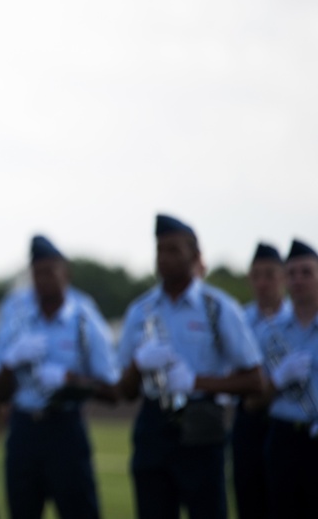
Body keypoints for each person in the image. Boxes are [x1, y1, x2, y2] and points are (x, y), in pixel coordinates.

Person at [117, 214, 263, 519]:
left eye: (174, 250)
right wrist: (137, 364)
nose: (164, 258)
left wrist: (196, 382)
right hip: (154, 423)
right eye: (160, 250)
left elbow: (254, 380)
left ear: (195, 256)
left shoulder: (217, 307)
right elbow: (124, 391)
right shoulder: (141, 310)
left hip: (200, 424)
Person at [0, 235, 118, 519]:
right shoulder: (15, 313)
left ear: (66, 273)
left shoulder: (84, 317)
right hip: (24, 427)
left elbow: (112, 390)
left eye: (50, 271)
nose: (43, 280)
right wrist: (12, 360)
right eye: (37, 273)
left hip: (65, 429)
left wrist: (68, 380)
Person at [256, 239, 318, 517]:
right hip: (283, 437)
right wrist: (278, 380)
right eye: (291, 273)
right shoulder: (269, 332)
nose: (298, 280)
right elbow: (252, 401)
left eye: (306, 272)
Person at [231, 242, 288, 519]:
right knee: (249, 499)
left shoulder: (296, 318)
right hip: (249, 419)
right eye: (256, 276)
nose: (263, 283)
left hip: (286, 418)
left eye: (269, 274)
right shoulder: (239, 320)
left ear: (283, 278)